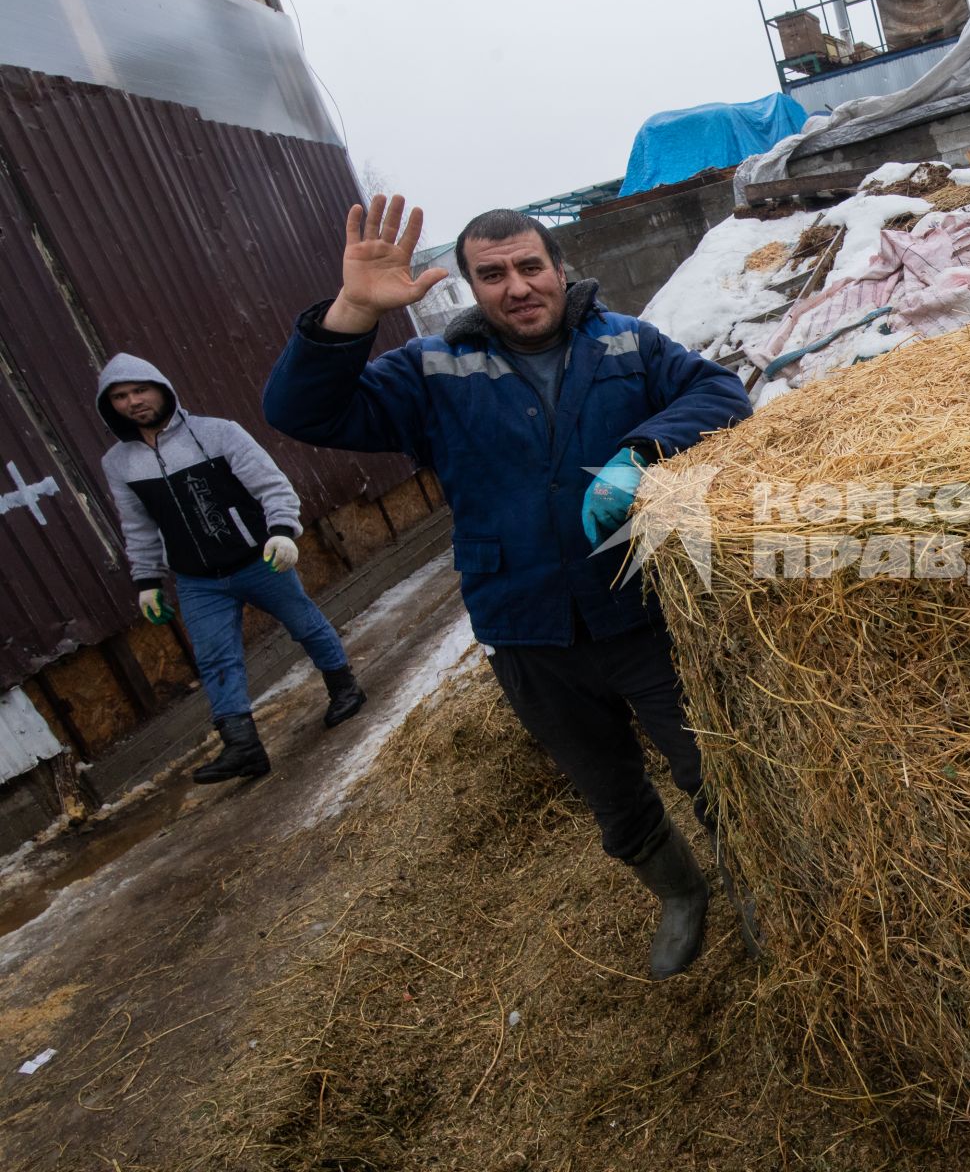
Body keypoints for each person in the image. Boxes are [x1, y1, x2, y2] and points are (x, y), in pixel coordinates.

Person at [262, 195, 752, 979]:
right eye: (492, 275)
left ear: (560, 270)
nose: (517, 286)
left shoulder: (626, 343)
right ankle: (680, 895)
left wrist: (640, 450)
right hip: (528, 629)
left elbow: (722, 393)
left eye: (530, 266)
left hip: (641, 610)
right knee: (611, 792)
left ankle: (756, 886)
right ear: (470, 289)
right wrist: (353, 307)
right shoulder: (435, 371)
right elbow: (301, 410)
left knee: (710, 768)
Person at [97, 355, 367, 784]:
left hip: (256, 559)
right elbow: (138, 526)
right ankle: (244, 747)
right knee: (215, 658)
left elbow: (270, 484)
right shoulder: (119, 463)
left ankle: (345, 688)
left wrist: (281, 531)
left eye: (139, 390)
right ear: (110, 406)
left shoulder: (217, 432)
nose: (133, 402)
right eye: (120, 396)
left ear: (161, 388)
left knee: (305, 624)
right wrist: (146, 581)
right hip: (197, 580)